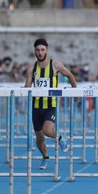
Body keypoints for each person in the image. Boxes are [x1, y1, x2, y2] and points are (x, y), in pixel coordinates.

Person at [24, 38, 79, 170]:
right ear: (34, 51)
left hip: (50, 105)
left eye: (42, 50)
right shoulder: (31, 68)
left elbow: (70, 76)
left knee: (47, 130)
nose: (40, 52)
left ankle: (60, 139)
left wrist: (75, 92)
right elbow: (27, 86)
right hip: (36, 106)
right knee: (39, 137)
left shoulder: (56, 65)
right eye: (37, 50)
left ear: (47, 50)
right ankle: (45, 157)